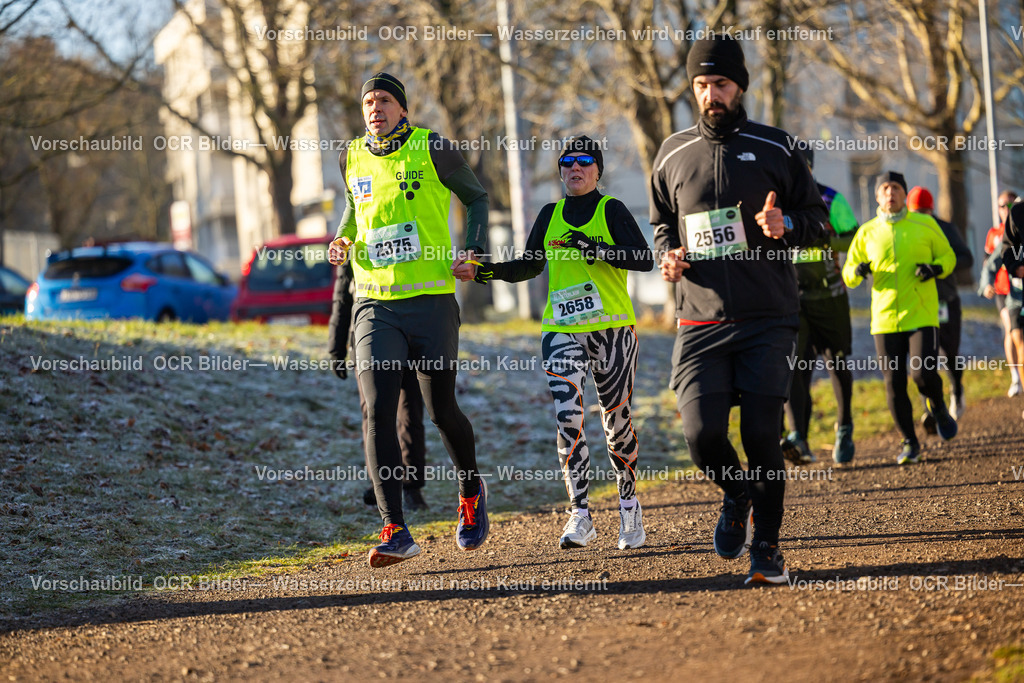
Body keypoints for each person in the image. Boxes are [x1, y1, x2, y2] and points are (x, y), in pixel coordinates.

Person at [650, 34, 828, 585]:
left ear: (741, 86)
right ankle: (736, 493)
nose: (711, 95)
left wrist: (789, 226)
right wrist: (668, 256)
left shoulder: (777, 148)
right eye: (701, 85)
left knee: (760, 436)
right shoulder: (673, 152)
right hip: (700, 318)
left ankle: (769, 548)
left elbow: (820, 222)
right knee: (701, 435)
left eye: (721, 84)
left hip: (768, 318)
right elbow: (660, 223)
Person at [459, 136, 653, 550]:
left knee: (616, 424)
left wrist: (597, 248)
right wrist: (483, 273)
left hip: (613, 329)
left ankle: (629, 505)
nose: (574, 169)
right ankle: (580, 513)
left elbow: (643, 258)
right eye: (566, 163)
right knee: (568, 419)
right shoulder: (550, 215)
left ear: (597, 169)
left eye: (583, 162)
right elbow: (528, 267)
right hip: (561, 329)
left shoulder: (611, 209)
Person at [329, 72, 489, 567]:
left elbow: (477, 196)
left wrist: (475, 249)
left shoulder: (432, 147)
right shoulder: (350, 155)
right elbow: (357, 211)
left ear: (402, 108)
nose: (374, 108)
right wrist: (342, 239)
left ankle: (470, 490)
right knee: (376, 408)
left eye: (383, 101)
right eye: (367, 102)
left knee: (440, 409)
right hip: (374, 303)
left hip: (432, 300)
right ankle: (395, 527)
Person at [842, 172, 957, 465]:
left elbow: (949, 258)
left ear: (904, 194)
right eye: (884, 188)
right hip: (884, 319)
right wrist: (856, 272)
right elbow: (848, 271)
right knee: (894, 383)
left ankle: (939, 407)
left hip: (921, 314)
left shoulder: (925, 223)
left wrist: (935, 269)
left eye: (896, 187)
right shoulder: (866, 232)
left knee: (922, 374)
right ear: (878, 196)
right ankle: (910, 442)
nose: (890, 192)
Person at [328, 260, 429, 512]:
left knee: (399, 414)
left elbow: (341, 297)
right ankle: (387, 485)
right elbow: (342, 296)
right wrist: (336, 348)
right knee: (384, 414)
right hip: (373, 340)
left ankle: (406, 487)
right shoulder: (351, 242)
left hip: (395, 337)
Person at [782, 148, 859, 466]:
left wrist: (825, 242)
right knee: (795, 371)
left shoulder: (831, 199)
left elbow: (856, 239)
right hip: (793, 299)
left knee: (837, 366)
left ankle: (844, 430)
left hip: (830, 297)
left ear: (810, 168)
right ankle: (799, 438)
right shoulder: (778, 203)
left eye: (803, 167)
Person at [906, 186, 973, 424]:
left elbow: (967, 258)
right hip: (920, 302)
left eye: (924, 211)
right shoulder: (907, 229)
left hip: (945, 300)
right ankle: (932, 406)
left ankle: (956, 389)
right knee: (926, 357)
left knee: (950, 352)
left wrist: (940, 267)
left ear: (932, 210)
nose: (921, 216)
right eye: (916, 211)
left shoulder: (945, 228)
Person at [982, 191, 1022, 397]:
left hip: (1017, 288)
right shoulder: (994, 234)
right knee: (1011, 330)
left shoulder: (1019, 224)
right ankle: (1016, 375)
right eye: (1001, 206)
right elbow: (988, 262)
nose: (1005, 209)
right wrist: (986, 284)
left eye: (1009, 205)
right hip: (1003, 290)